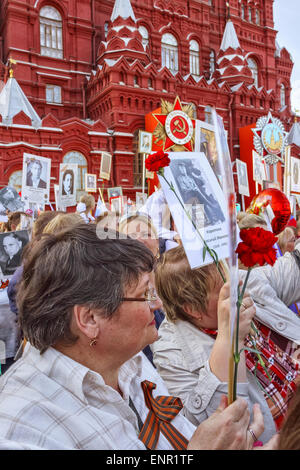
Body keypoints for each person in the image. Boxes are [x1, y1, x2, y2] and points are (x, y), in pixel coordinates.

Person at [0, 224, 263, 450]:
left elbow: (180, 437)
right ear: (90, 319)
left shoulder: (127, 359)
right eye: (145, 293)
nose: (158, 303)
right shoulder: (22, 427)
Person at [151, 246, 280, 444]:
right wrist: (230, 339)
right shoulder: (170, 352)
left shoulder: (245, 291)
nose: (238, 286)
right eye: (224, 287)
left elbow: (287, 273)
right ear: (193, 308)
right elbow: (207, 427)